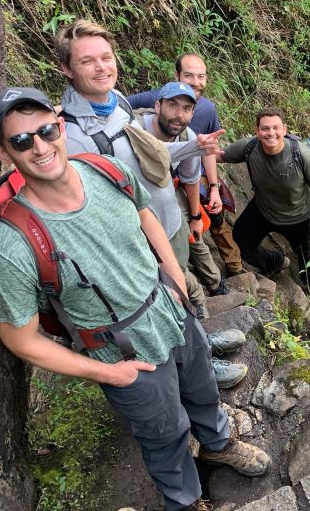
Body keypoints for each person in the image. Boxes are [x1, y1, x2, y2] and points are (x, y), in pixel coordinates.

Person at [0, 88, 270, 511]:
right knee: (164, 433)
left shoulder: (104, 169)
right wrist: (106, 374)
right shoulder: (13, 243)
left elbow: (143, 211)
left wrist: (174, 276)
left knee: (203, 389)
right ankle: (185, 501)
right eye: (22, 140)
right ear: (3, 151)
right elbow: (20, 339)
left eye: (45, 131)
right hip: (120, 352)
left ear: (60, 126)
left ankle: (218, 443)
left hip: (170, 310)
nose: (40, 146)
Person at [54, 19, 246, 387]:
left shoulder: (119, 103)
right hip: (135, 241)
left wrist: (195, 148)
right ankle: (202, 369)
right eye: (87, 61)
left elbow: (152, 153)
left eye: (106, 57)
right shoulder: (72, 135)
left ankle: (201, 344)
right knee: (165, 301)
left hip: (165, 222)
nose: (101, 67)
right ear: (66, 69)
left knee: (182, 292)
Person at [130, 53, 245, 277]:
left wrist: (214, 187)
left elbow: (209, 149)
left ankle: (233, 269)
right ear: (177, 76)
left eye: (201, 76)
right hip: (157, 176)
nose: (195, 82)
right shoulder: (157, 99)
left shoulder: (207, 109)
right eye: (189, 75)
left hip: (191, 170)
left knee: (213, 213)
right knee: (180, 222)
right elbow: (115, 105)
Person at [218, 107, 310, 310]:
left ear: (284, 129)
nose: (270, 133)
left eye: (275, 128)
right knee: (240, 242)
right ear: (257, 130)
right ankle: (275, 261)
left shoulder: (302, 155)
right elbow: (216, 155)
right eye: (265, 128)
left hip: (300, 215)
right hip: (263, 210)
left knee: (306, 253)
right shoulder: (249, 148)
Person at [139, 81, 228, 297]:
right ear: (158, 106)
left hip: (167, 189)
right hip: (135, 196)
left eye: (187, 109)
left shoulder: (188, 137)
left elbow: (191, 179)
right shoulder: (136, 127)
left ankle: (214, 283)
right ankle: (187, 290)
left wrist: (196, 216)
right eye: (173, 105)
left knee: (192, 233)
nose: (179, 114)